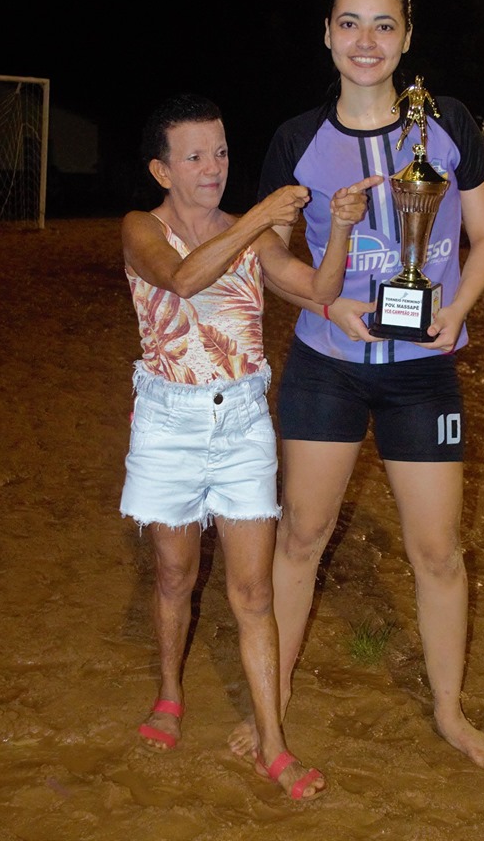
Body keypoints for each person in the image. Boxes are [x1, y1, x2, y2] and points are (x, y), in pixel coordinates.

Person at [228, 0, 484, 770]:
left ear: (406, 38)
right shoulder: (295, 139)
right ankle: (272, 702)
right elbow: (267, 252)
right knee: (301, 537)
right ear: (326, 35)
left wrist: (454, 313)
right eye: (349, 23)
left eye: (383, 25)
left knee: (436, 551)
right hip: (328, 364)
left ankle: (451, 713)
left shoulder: (447, 123)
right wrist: (324, 304)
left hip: (423, 372)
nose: (366, 41)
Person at [119, 92, 380, 800]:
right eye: (195, 155)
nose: (213, 166)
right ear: (161, 170)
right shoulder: (140, 226)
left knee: (254, 590)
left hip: (240, 422)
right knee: (174, 575)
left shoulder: (249, 232)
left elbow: (317, 289)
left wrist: (338, 234)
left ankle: (271, 744)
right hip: (168, 422)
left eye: (222, 151)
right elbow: (180, 278)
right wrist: (264, 217)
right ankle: (170, 693)